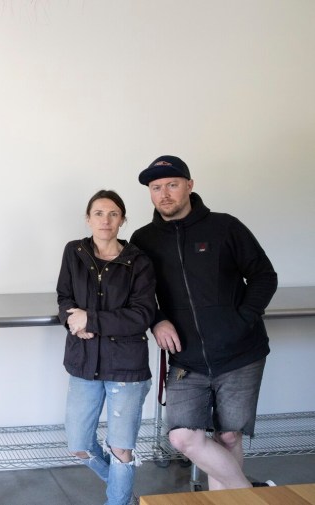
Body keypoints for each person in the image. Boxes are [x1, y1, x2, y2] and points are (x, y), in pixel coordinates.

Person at [130, 155, 278, 491]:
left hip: (241, 353)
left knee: (228, 436)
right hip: (186, 360)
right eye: (156, 187)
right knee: (184, 437)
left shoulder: (225, 227)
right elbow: (135, 293)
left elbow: (263, 275)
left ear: (189, 186)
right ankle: (250, 494)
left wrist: (243, 319)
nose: (164, 193)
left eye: (172, 184)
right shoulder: (143, 240)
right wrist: (156, 320)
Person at [57, 189, 156, 505]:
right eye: (99, 213)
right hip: (84, 362)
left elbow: (141, 315)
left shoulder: (138, 261)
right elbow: (64, 298)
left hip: (126, 366)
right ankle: (123, 492)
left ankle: (119, 500)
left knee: (121, 448)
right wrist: (73, 320)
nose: (106, 219)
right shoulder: (74, 252)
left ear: (123, 220)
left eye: (113, 213)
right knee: (79, 445)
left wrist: (91, 320)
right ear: (88, 219)